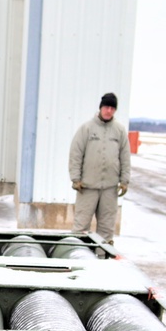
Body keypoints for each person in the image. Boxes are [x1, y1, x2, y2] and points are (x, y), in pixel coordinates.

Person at [68, 92, 131, 244]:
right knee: (81, 227)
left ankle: (103, 261)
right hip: (87, 187)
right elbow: (76, 154)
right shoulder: (87, 129)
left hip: (109, 188)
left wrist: (124, 181)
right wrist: (75, 178)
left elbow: (125, 157)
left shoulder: (120, 131)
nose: (109, 111)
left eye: (112, 108)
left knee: (106, 229)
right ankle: (79, 257)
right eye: (106, 107)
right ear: (101, 108)